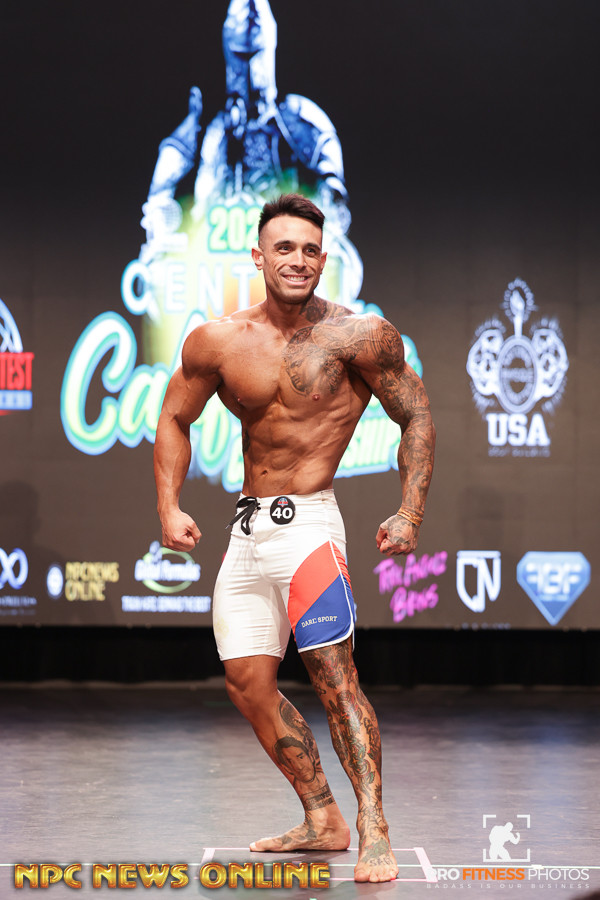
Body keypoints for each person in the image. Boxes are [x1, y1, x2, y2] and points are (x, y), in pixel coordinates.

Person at [154, 193, 436, 883]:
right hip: (247, 531)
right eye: (285, 248)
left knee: (336, 679)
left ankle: (373, 827)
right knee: (246, 684)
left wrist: (410, 511)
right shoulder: (219, 341)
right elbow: (174, 416)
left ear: (323, 257)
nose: (298, 260)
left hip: (310, 526)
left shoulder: (359, 337)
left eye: (310, 250)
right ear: (258, 256)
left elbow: (417, 414)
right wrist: (168, 506)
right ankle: (322, 817)